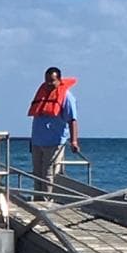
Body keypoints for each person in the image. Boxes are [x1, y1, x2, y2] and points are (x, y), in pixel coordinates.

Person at [27, 66, 79, 198]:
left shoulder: (67, 97)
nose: (49, 84)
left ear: (59, 80)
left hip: (54, 142)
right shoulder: (42, 94)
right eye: (47, 81)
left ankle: (47, 202)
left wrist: (74, 141)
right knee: (37, 174)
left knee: (49, 174)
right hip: (37, 141)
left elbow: (72, 120)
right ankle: (37, 200)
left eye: (52, 81)